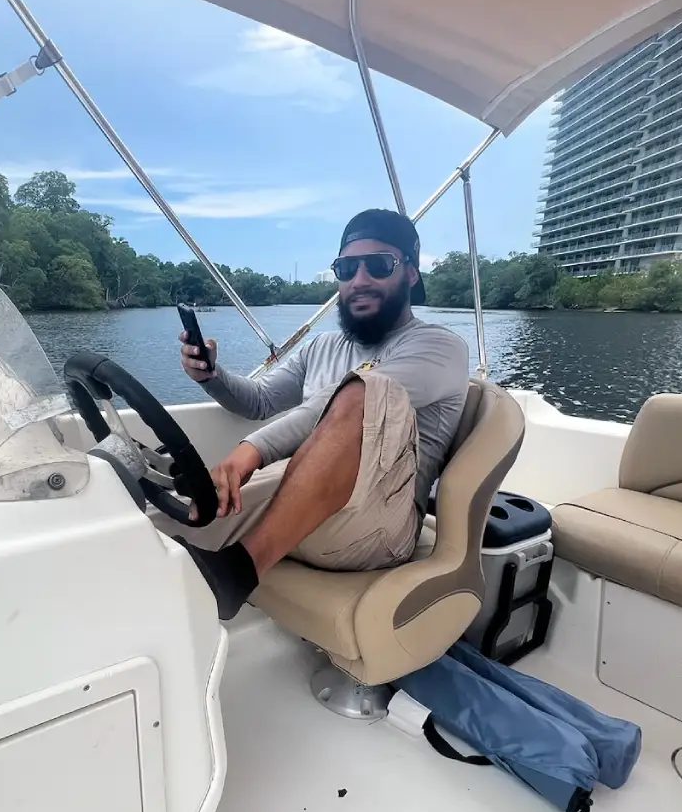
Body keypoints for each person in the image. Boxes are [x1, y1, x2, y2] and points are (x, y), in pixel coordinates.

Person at [165, 208, 469, 620]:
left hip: (379, 529)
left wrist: (247, 454)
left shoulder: (440, 348)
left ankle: (235, 573)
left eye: (379, 265)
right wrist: (212, 376)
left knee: (361, 390)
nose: (359, 280)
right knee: (170, 512)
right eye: (347, 268)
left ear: (411, 274)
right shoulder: (321, 346)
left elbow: (346, 401)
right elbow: (258, 401)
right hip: (304, 505)